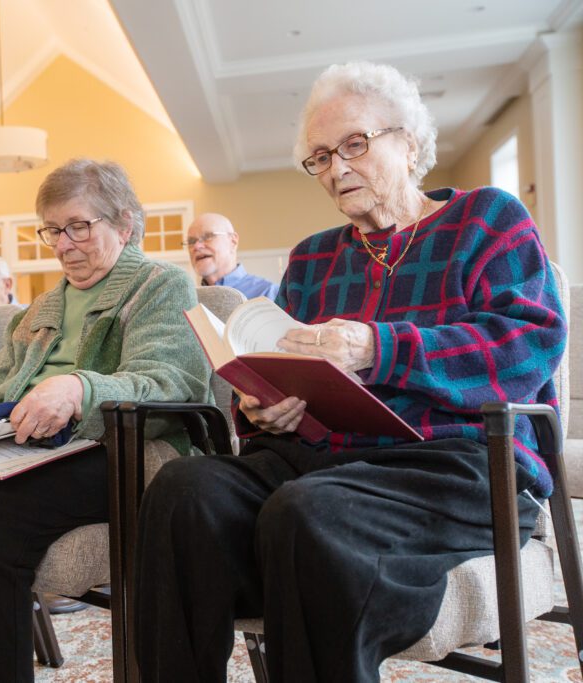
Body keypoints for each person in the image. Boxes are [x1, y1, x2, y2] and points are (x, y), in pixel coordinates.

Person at [135, 61, 567, 682]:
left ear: (409, 142)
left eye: (354, 145)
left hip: (456, 466)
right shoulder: (312, 258)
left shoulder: (486, 220)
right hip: (321, 460)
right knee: (182, 490)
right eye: (319, 157)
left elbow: (528, 344)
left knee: (307, 512)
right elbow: (278, 362)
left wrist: (377, 347)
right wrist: (260, 406)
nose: (336, 169)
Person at [0, 158, 212, 682]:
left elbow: (169, 383)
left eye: (78, 226)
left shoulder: (160, 285)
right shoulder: (45, 305)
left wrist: (80, 387)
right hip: (23, 442)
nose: (63, 244)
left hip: (118, 450)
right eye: (52, 230)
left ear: (125, 223)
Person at [185, 213, 278, 298]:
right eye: (191, 241)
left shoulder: (268, 294)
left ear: (233, 241)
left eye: (208, 237)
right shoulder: (188, 300)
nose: (197, 246)